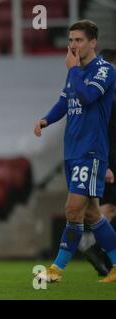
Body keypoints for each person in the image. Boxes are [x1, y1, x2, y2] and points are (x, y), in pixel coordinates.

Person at [34, 20, 116, 283]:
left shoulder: (103, 70)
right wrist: (46, 119)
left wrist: (73, 72)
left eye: (79, 40)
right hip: (72, 150)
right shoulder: (77, 72)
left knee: (73, 209)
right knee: (93, 213)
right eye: (70, 40)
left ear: (93, 42)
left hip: (90, 151)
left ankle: (56, 270)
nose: (73, 45)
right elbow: (65, 101)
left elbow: (88, 97)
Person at [78, 49, 116, 276]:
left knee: (108, 208)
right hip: (107, 157)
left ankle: (97, 250)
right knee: (107, 208)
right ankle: (96, 248)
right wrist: (104, 164)